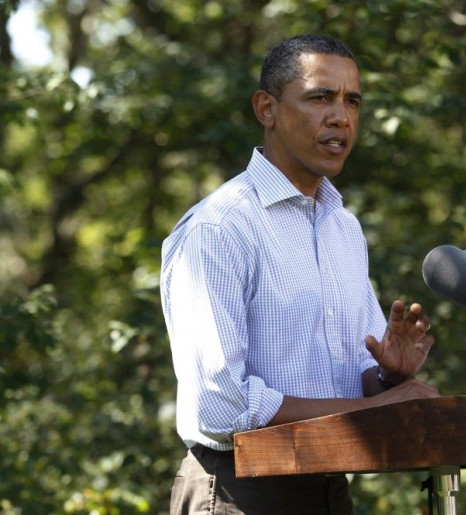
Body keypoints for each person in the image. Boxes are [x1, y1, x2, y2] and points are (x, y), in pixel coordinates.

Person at [160, 34, 440, 514]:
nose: (341, 117)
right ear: (266, 108)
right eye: (320, 98)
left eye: (352, 101)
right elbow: (222, 407)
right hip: (239, 491)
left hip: (331, 486)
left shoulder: (343, 227)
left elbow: (347, 382)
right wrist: (375, 411)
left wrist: (385, 379)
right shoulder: (220, 227)